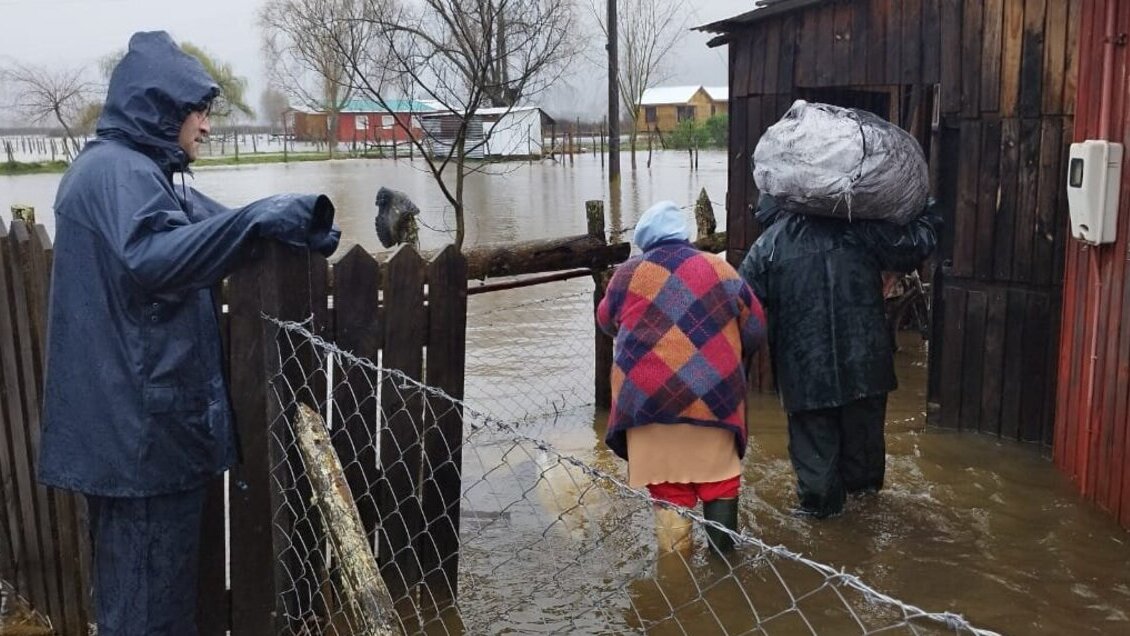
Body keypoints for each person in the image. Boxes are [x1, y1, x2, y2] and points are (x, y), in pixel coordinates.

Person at [37, 31, 340, 635]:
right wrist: (258, 217)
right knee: (148, 614)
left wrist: (298, 224)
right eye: (196, 112)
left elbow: (209, 221)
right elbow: (154, 253)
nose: (205, 126)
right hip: (140, 441)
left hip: (127, 437)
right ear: (161, 109)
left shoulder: (128, 170)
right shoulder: (121, 174)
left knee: (137, 597)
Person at [739, 194, 940, 519]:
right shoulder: (862, 230)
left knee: (819, 496)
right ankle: (863, 552)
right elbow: (917, 244)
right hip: (865, 372)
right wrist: (925, 205)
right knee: (865, 485)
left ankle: (823, 550)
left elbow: (739, 310)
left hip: (806, 381)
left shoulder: (769, 245)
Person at [597, 201, 765, 555]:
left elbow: (606, 322)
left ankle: (677, 581)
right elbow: (755, 329)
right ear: (684, 235)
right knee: (719, 481)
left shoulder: (626, 275)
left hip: (645, 404)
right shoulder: (722, 270)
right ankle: (725, 566)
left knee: (669, 488)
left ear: (645, 241)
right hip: (714, 400)